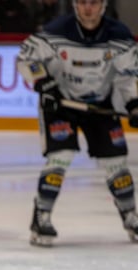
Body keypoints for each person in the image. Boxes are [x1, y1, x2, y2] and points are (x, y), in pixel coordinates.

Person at [16, 0, 138, 246]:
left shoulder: (120, 36)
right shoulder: (55, 31)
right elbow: (26, 58)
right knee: (60, 155)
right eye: (82, 2)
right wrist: (44, 84)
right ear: (74, 5)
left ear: (103, 5)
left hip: (101, 105)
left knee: (115, 162)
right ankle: (42, 216)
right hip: (61, 105)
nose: (88, 8)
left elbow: (127, 77)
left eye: (93, 2)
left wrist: (134, 104)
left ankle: (130, 216)